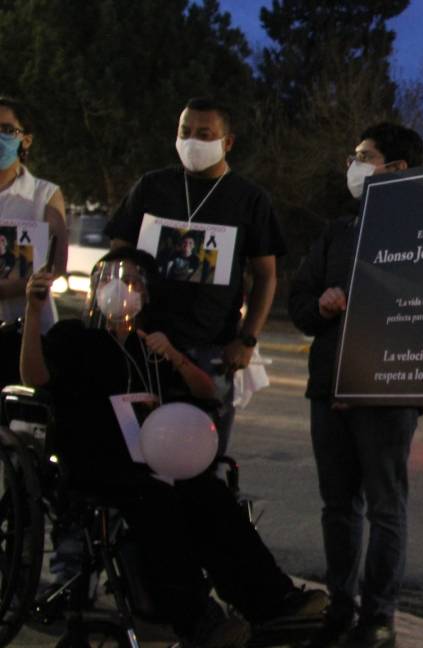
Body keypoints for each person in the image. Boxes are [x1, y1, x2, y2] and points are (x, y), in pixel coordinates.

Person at [21, 249, 325, 647]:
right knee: (156, 502)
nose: (119, 288)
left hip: (157, 457)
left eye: (131, 280)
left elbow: (208, 393)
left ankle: (272, 603)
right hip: (100, 458)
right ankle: (197, 619)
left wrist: (177, 357)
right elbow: (35, 376)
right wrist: (34, 309)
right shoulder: (75, 338)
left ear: (146, 295)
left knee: (209, 495)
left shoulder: (153, 346)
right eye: (110, 278)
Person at [289, 122, 423, 648]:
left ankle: (379, 616)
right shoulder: (337, 232)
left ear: (397, 170)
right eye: (355, 154)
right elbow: (299, 303)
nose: (355, 164)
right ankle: (340, 608)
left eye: (365, 156)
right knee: (338, 506)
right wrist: (321, 304)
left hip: (388, 392)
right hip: (329, 388)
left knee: (386, 507)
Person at [105, 97, 287, 452]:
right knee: (137, 454)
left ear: (227, 142)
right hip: (144, 341)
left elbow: (266, 276)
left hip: (212, 349)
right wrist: (123, 297)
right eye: (184, 132)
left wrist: (247, 340)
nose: (192, 142)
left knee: (202, 458)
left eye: (205, 134)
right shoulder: (151, 187)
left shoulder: (249, 199)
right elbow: (119, 250)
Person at [0, 96, 68, 330]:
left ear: (26, 140)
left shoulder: (45, 195)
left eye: (7, 130)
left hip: (30, 330)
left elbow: (56, 266)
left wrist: (8, 289)